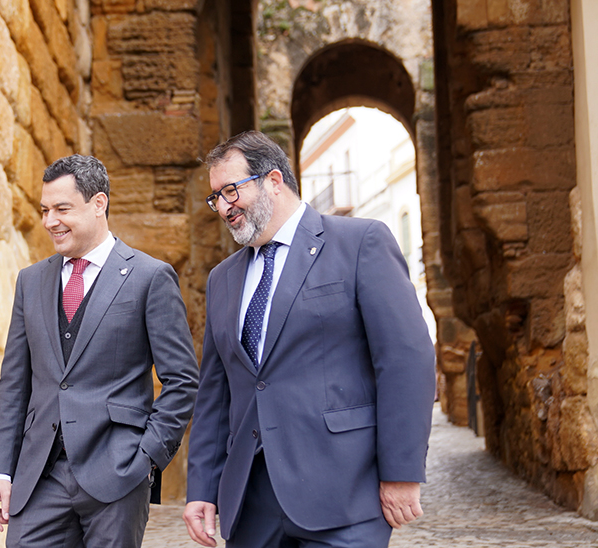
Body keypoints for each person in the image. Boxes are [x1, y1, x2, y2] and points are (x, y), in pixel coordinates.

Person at [183, 131, 436, 548]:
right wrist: (202, 489)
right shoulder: (222, 278)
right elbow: (215, 391)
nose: (224, 207)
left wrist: (402, 472)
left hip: (345, 495)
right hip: (252, 504)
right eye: (216, 198)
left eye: (231, 191)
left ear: (274, 180)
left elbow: (406, 360)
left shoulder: (360, 243)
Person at [0, 154, 199, 548]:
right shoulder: (30, 281)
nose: (50, 221)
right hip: (39, 478)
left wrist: (147, 458)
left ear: (98, 204)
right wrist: (0, 471)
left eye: (62, 209)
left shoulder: (149, 277)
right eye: (45, 210)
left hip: (117, 474)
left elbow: (182, 381)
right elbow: (14, 383)